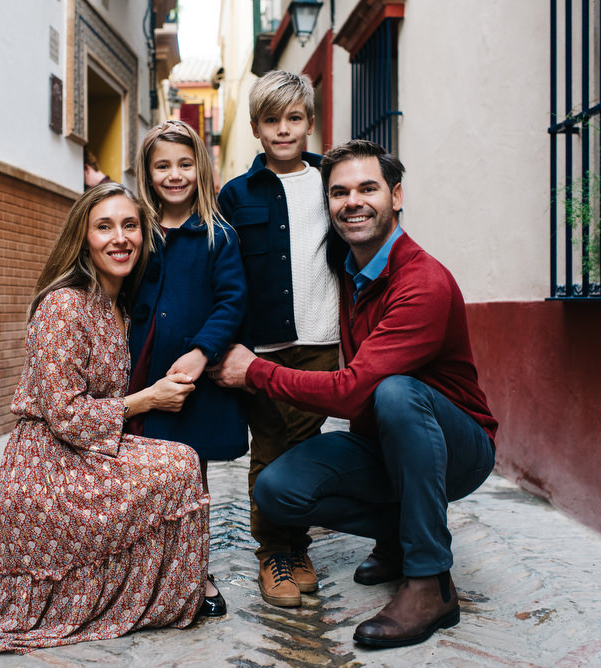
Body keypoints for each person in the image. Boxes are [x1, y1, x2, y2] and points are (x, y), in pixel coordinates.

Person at [0, 183, 217, 654]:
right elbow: (64, 413)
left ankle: (154, 594)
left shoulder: (119, 304)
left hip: (86, 451)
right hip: (47, 465)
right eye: (104, 226)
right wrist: (148, 399)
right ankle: (154, 596)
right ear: (83, 237)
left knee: (183, 460)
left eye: (129, 225)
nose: (119, 238)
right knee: (179, 464)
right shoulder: (64, 305)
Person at [210, 140, 498, 648]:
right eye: (339, 192)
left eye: (368, 188)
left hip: (458, 447)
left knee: (395, 394)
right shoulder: (346, 270)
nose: (353, 202)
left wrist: (255, 371)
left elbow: (352, 393)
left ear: (396, 196)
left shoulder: (422, 281)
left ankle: (430, 581)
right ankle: (398, 536)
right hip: (383, 442)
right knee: (276, 489)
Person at [216, 71, 343, 608]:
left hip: (322, 341)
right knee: (269, 449)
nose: (284, 130)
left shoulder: (331, 180)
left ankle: (297, 543)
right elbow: (224, 272)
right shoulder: (235, 194)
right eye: (272, 120)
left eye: (294, 118)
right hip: (260, 349)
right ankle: (274, 553)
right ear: (255, 128)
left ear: (310, 122)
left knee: (305, 449)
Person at [127, 119, 248, 616]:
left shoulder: (219, 234)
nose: (174, 175)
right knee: (140, 472)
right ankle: (143, 570)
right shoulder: (136, 230)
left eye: (184, 164)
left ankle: (194, 570)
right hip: (141, 370)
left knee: (189, 476)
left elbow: (232, 301)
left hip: (191, 380)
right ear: (147, 172)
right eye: (162, 166)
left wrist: (202, 353)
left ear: (200, 168)